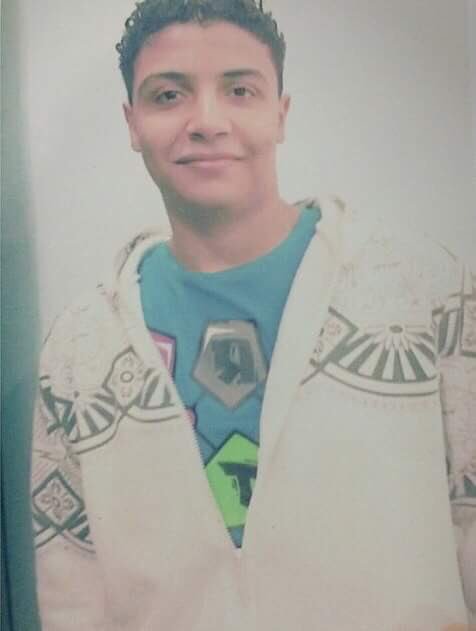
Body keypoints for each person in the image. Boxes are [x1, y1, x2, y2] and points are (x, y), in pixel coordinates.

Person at [30, 1, 475, 629]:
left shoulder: (424, 292)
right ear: (132, 123)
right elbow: (71, 589)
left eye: (239, 90)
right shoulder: (79, 349)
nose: (206, 122)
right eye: (168, 95)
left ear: (280, 113)